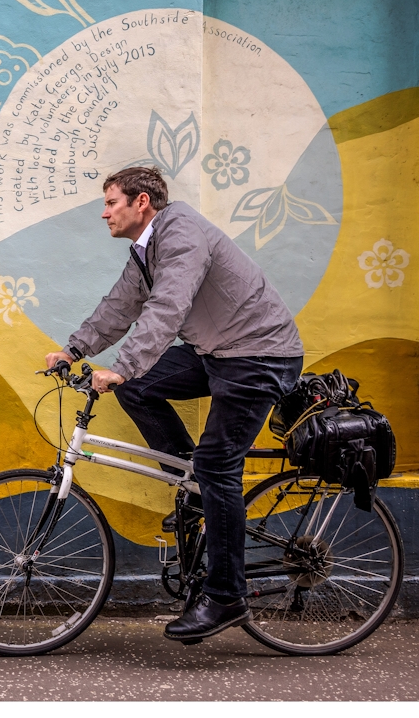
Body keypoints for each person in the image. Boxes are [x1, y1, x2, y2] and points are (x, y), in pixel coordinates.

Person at [44, 165, 303, 643]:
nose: (104, 214)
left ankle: (226, 596)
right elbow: (119, 306)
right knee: (139, 387)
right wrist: (73, 349)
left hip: (259, 355)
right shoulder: (145, 250)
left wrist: (123, 363)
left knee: (218, 466)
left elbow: (169, 305)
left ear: (142, 202)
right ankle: (193, 483)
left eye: (111, 203)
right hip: (219, 352)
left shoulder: (180, 232)